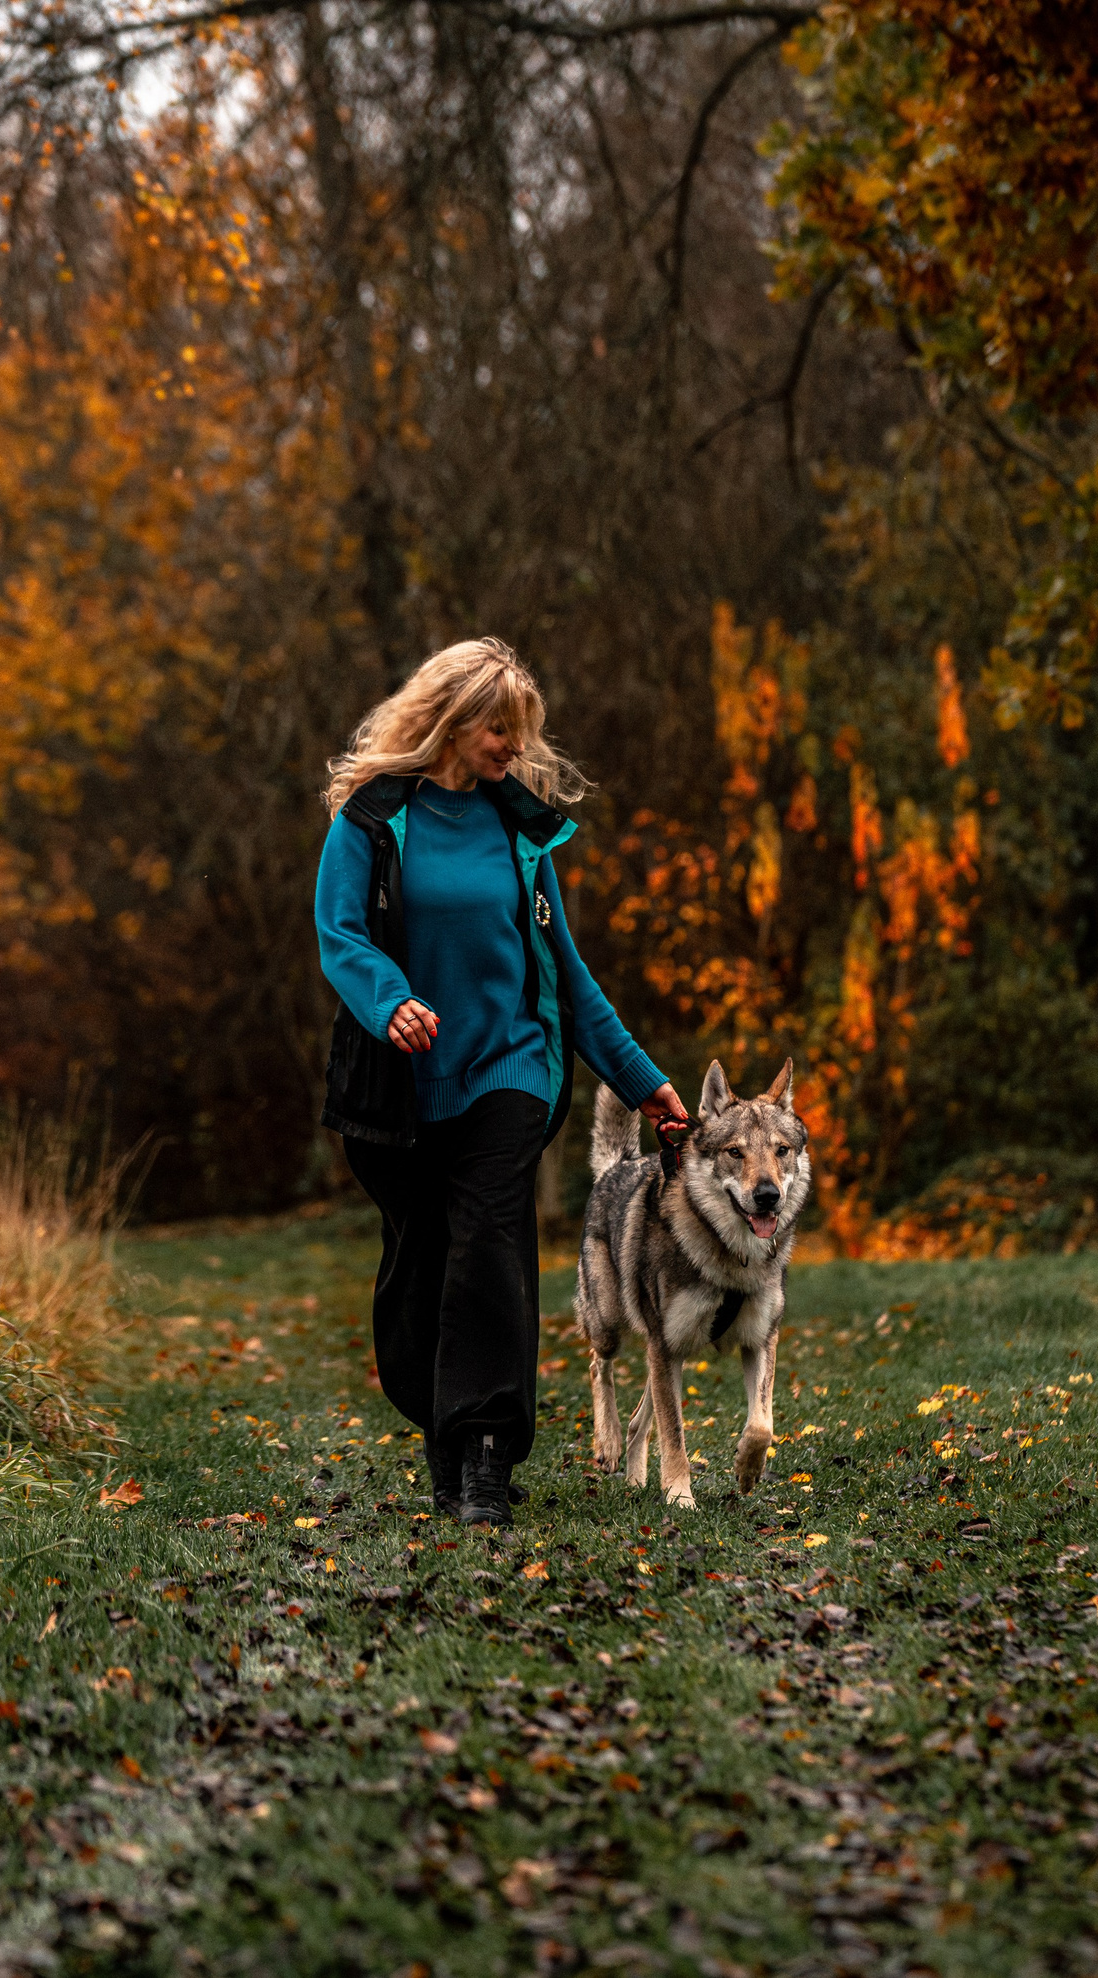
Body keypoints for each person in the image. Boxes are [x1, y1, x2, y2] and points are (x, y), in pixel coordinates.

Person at [314, 638, 689, 1529]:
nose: (512, 749)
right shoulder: (370, 820)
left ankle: (484, 1457)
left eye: (521, 733)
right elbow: (340, 936)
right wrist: (390, 1001)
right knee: (422, 1268)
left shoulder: (519, 832)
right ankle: (446, 1438)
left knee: (489, 1242)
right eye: (499, 729)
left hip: (510, 1072)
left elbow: (565, 970)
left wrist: (643, 1083)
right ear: (452, 719)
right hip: (400, 1087)